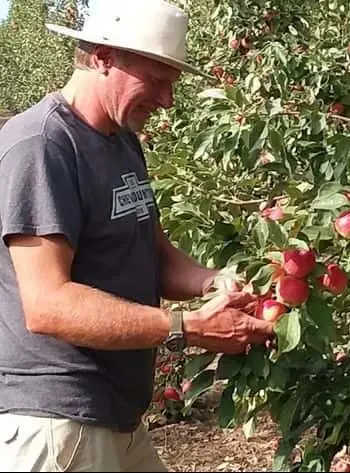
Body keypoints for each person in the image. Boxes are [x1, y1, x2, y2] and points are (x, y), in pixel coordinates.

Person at [0, 1, 276, 471]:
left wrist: (215, 281)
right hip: (55, 422)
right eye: (159, 78)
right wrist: (186, 328)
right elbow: (48, 305)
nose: (167, 99)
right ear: (104, 56)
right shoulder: (42, 147)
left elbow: (151, 250)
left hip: (116, 419)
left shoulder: (122, 139)